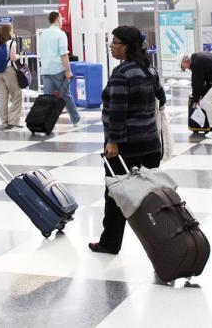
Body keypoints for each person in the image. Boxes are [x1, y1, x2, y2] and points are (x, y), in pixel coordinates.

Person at [91, 25, 167, 254]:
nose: (111, 46)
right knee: (150, 197)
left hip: (126, 146)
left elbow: (117, 111)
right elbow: (161, 100)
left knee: (115, 194)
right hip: (152, 144)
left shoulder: (122, 73)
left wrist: (112, 142)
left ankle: (110, 243)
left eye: (115, 42)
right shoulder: (149, 70)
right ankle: (163, 242)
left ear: (126, 46)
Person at [36, 11, 80, 125]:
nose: (62, 21)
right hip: (58, 69)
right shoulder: (61, 34)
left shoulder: (43, 34)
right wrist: (68, 71)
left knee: (48, 98)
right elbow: (64, 54)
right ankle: (76, 118)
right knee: (65, 95)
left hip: (46, 69)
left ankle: (46, 121)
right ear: (57, 19)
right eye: (61, 19)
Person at [0, 24, 24, 129]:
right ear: (9, 32)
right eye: (12, 30)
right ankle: (14, 121)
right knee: (17, 95)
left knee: (3, 98)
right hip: (9, 71)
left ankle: (5, 122)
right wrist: (20, 55)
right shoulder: (12, 42)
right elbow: (13, 57)